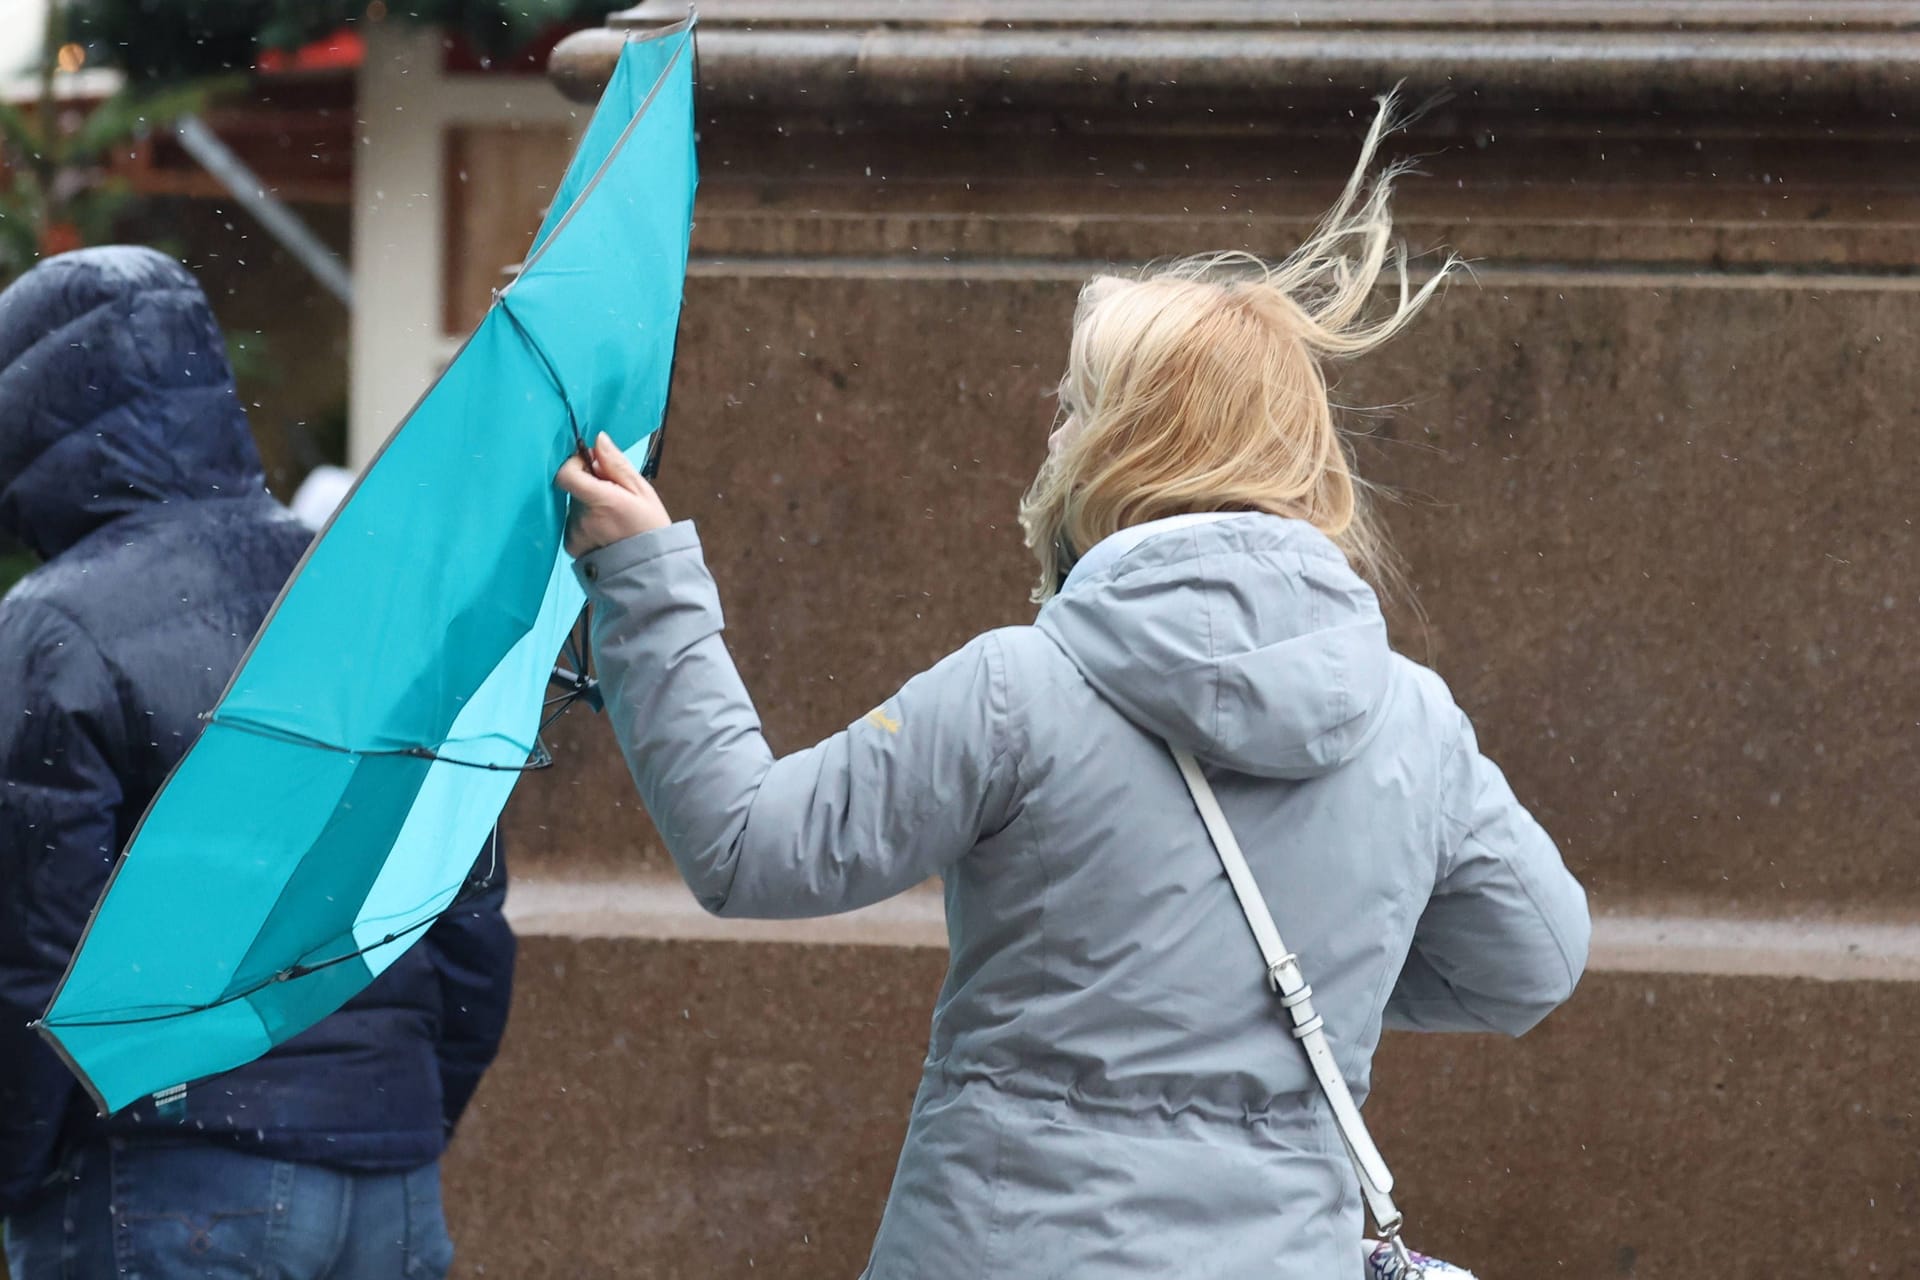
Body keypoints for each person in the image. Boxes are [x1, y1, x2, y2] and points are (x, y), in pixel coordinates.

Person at [555, 104, 1590, 1278]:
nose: (1055, 427)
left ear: (1128, 446)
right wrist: (1287, 982)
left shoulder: (1021, 688)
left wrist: (642, 576)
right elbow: (1532, 962)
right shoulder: (1416, 721)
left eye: (1077, 401)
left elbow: (749, 847)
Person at [0, 247, 515, 1278]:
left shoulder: (54, 628)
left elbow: (34, 960)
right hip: (391, 1185)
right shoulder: (368, 600)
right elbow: (466, 922)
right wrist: (395, 1113)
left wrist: (18, 1166)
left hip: (160, 1173)